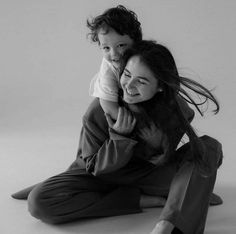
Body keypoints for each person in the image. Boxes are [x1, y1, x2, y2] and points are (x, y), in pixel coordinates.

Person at [12, 40, 223, 234]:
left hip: (146, 176)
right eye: (127, 74)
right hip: (98, 177)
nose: (129, 86)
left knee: (209, 148)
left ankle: (168, 224)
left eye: (141, 81)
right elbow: (95, 169)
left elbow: (163, 160)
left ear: (160, 86)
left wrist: (159, 143)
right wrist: (119, 138)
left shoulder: (177, 110)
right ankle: (145, 200)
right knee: (39, 201)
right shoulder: (98, 111)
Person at [87, 5, 142, 121]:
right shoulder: (109, 69)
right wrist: (126, 123)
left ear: (136, 42)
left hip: (138, 93)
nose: (114, 54)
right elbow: (108, 104)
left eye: (121, 45)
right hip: (111, 95)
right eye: (106, 48)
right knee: (92, 114)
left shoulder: (144, 57)